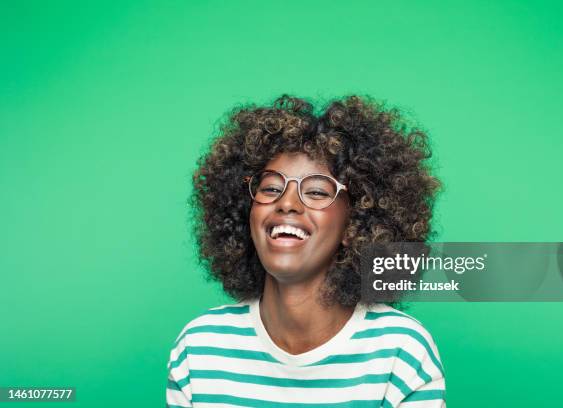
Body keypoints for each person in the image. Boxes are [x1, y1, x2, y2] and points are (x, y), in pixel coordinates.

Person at [166, 95, 445, 407]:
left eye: (316, 191)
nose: (287, 203)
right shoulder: (200, 347)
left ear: (356, 222)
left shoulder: (401, 352)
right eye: (271, 188)